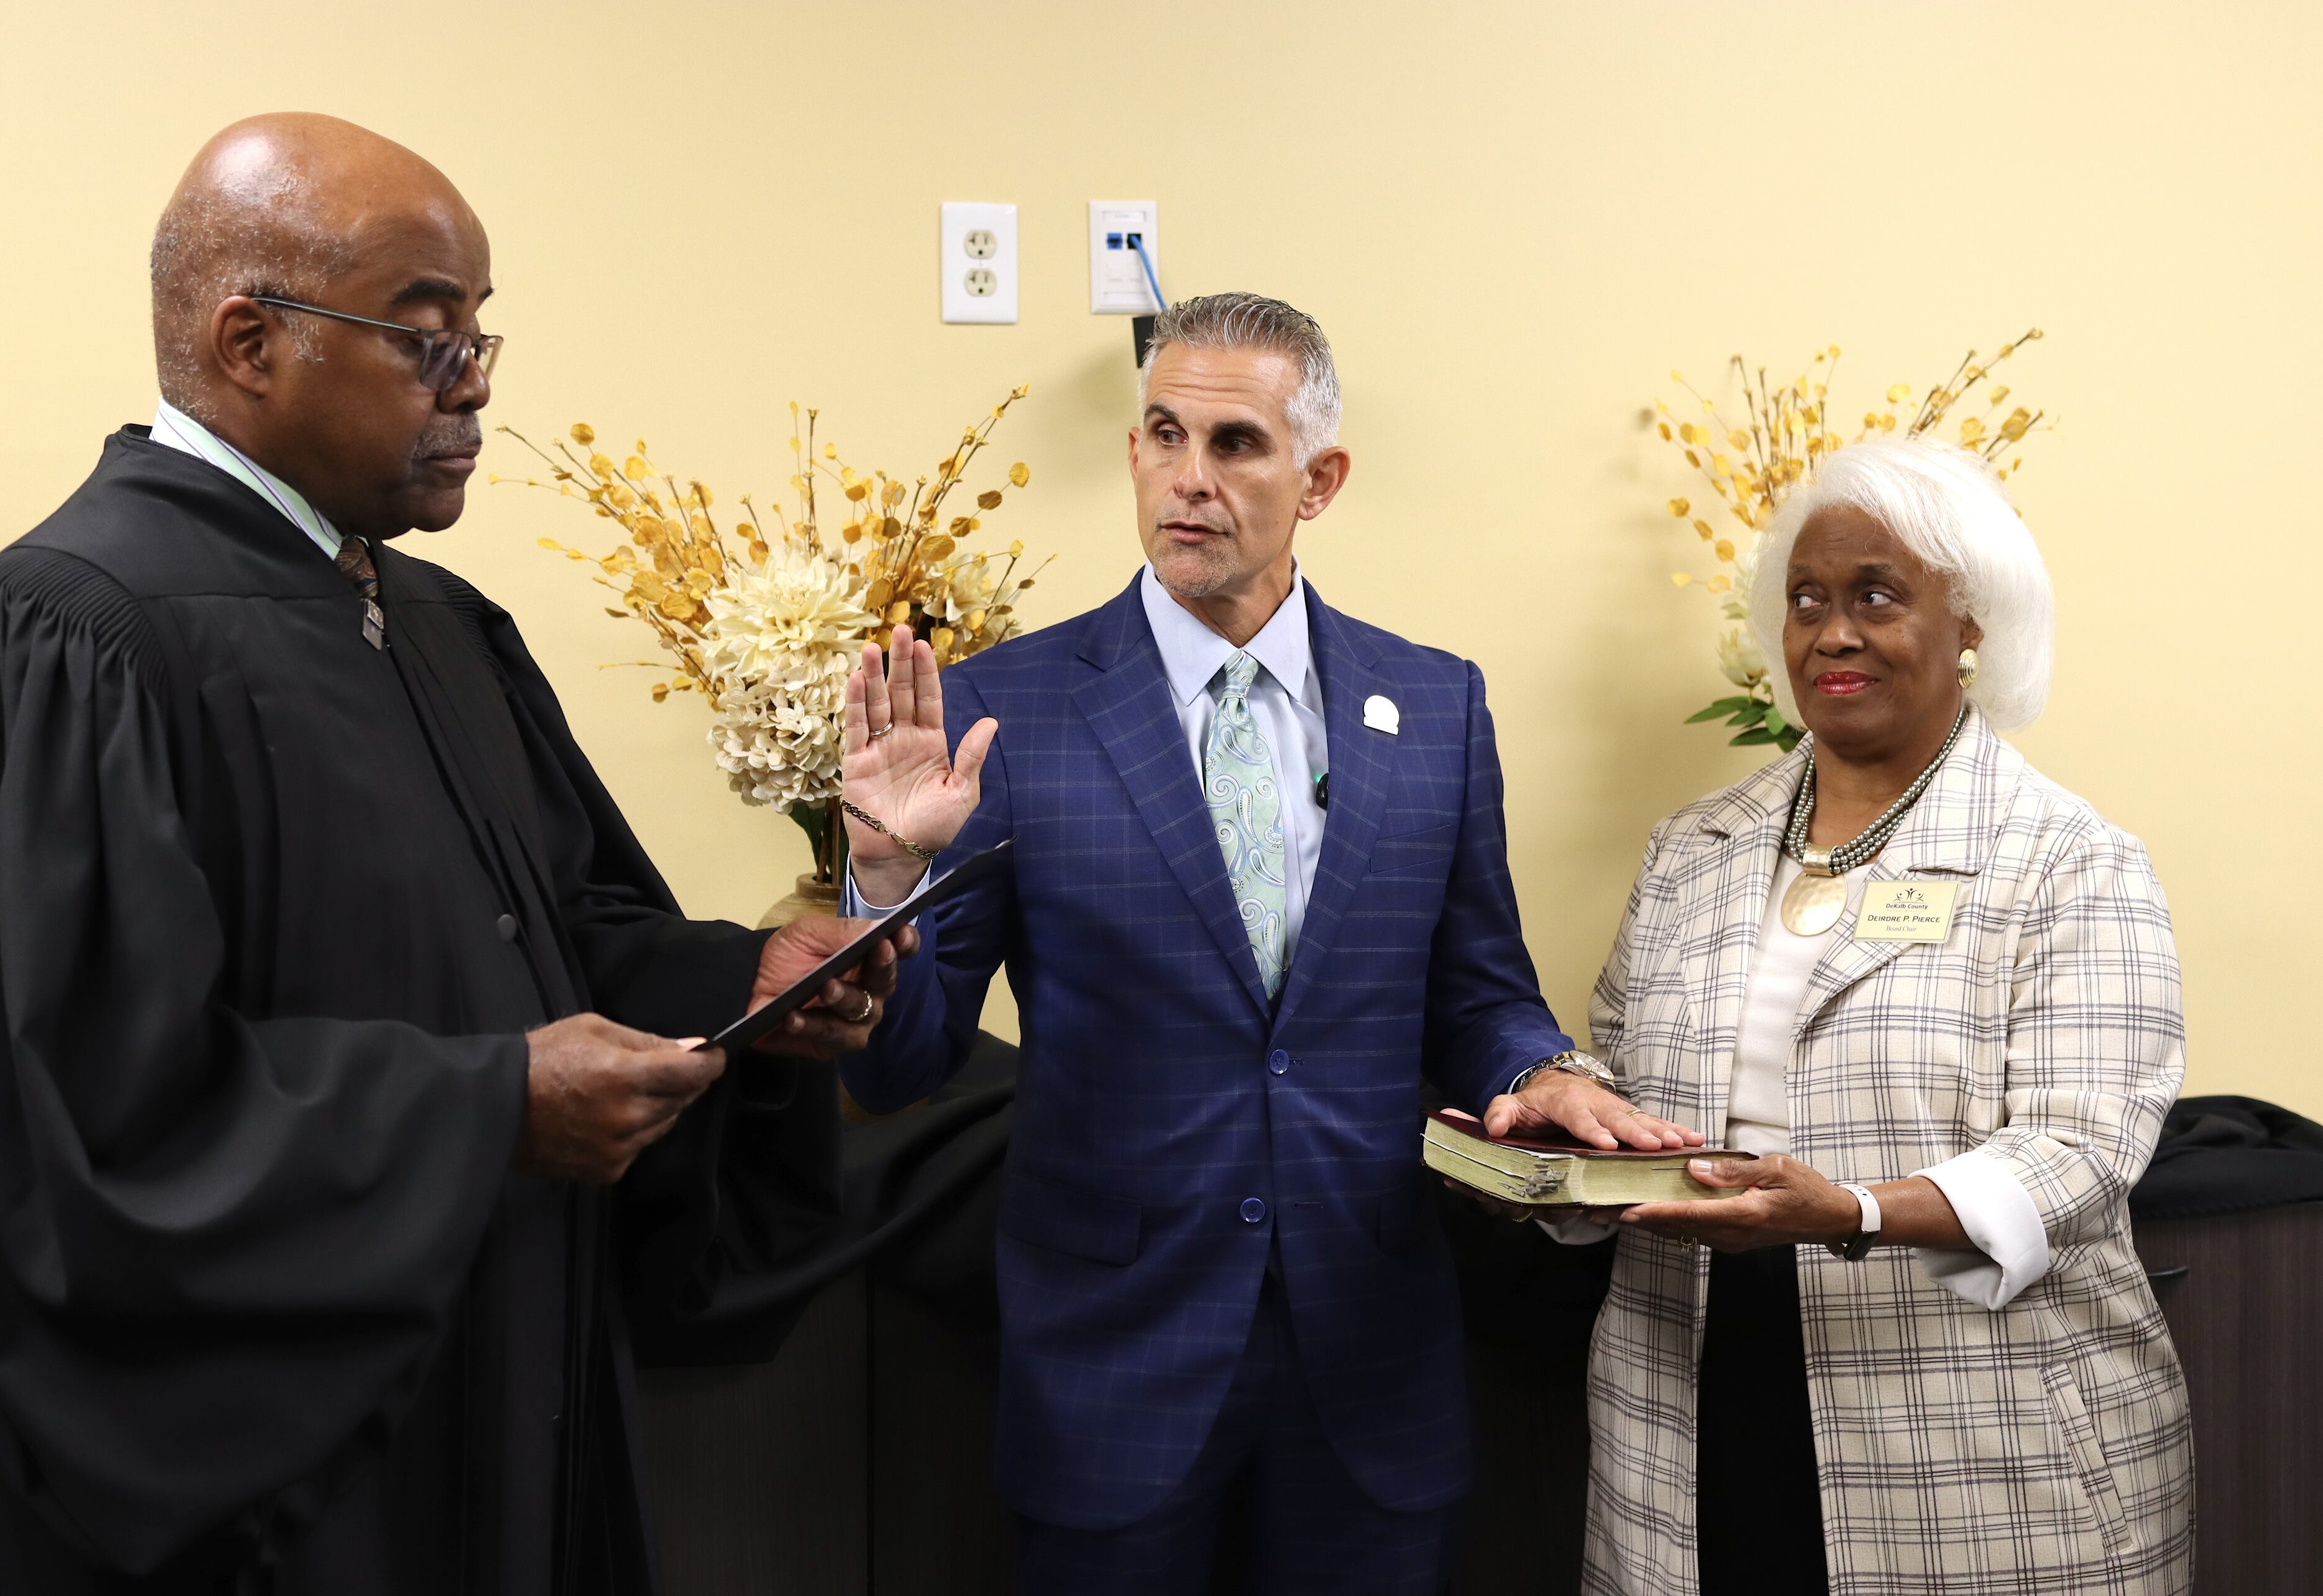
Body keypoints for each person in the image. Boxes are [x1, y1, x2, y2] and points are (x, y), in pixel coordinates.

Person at [0, 113, 908, 1593]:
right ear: (249, 340)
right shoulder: (72, 637)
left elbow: (563, 923)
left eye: (484, 334)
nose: (479, 387)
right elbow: (58, 1114)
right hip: (290, 1489)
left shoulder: (443, 625)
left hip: (515, 1366)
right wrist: (486, 1109)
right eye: (426, 337)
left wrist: (747, 981)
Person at [830, 292, 1696, 1595]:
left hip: (1370, 1365)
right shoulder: (1003, 713)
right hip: (1113, 1373)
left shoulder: (1438, 706)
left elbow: (1479, 992)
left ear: (1320, 477)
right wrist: (886, 880)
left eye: (1235, 443)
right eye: (1163, 434)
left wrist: (1541, 1073)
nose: (1188, 478)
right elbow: (900, 1063)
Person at [1574, 438, 2192, 1594]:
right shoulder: (1689, 851)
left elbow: (2085, 1150)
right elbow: (1615, 1067)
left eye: (1876, 596)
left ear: (1971, 621)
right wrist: (1557, 1135)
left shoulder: (2070, 861)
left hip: (1976, 1422)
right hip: (1689, 1394)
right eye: (1808, 600)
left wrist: (1850, 1210)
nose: (1834, 631)